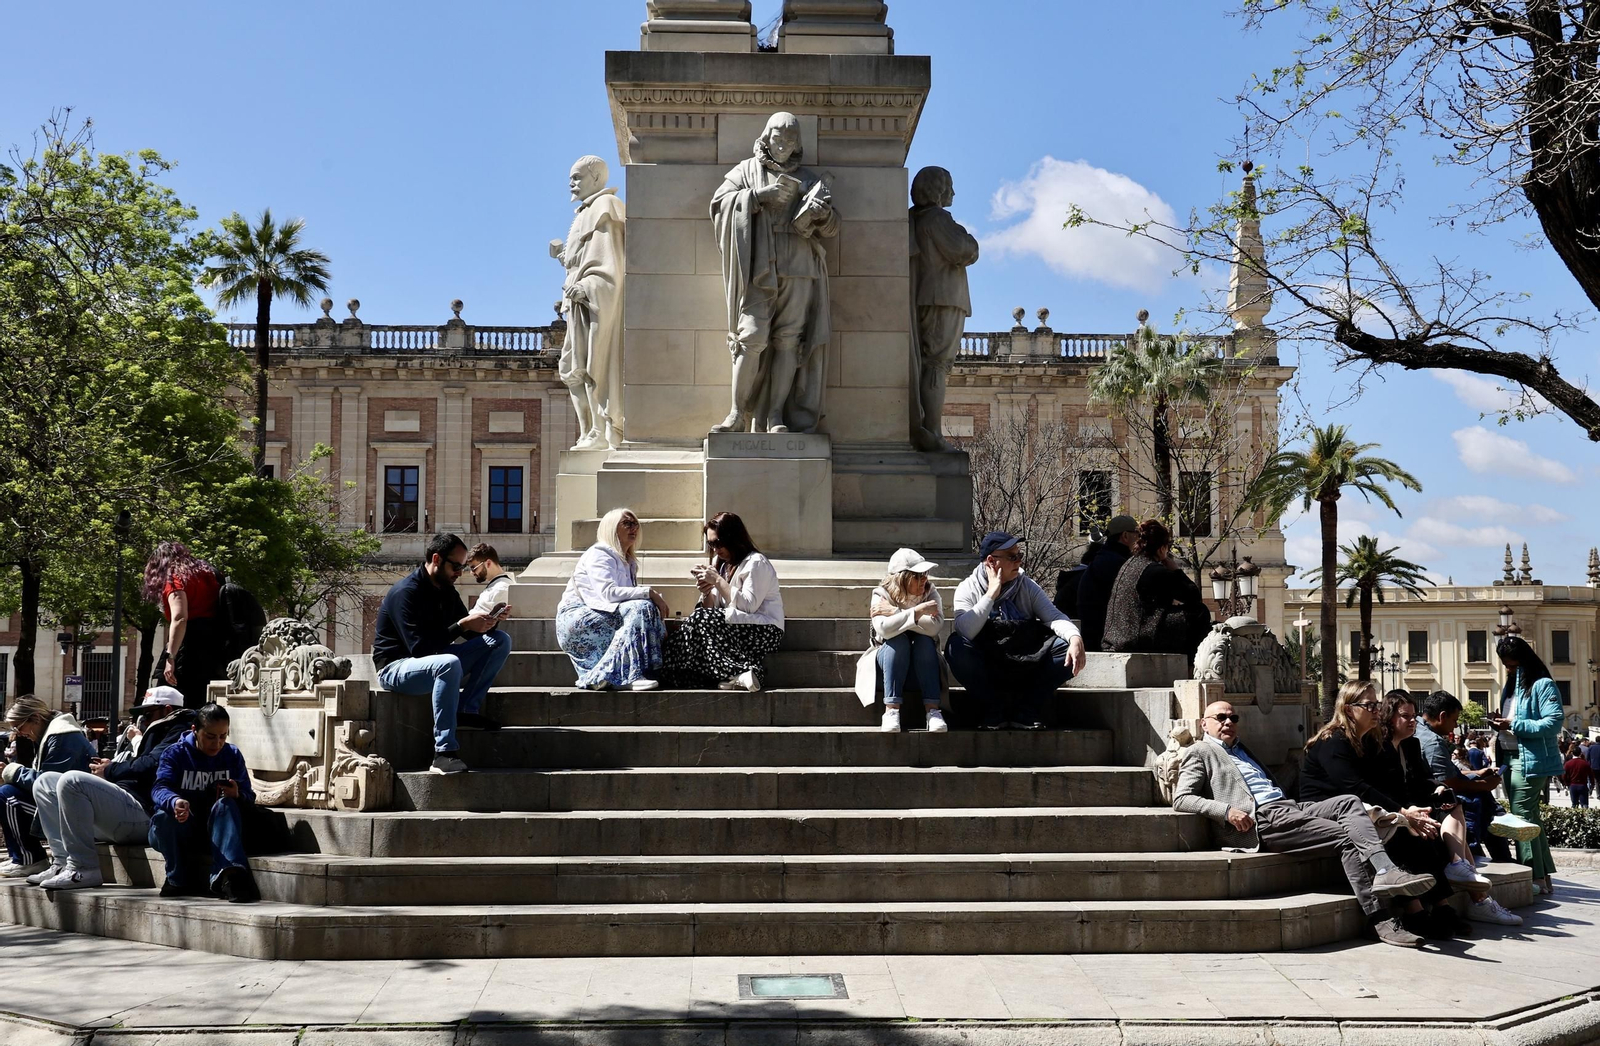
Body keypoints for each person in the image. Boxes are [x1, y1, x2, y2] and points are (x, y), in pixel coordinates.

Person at [1172, 698, 1437, 948]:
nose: (1228, 722)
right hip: (1263, 818)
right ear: (1204, 724)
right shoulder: (1201, 751)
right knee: (1347, 836)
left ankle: (1385, 869)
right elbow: (1182, 798)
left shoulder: (1241, 748)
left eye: (1233, 717)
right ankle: (1380, 920)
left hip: (1290, 807)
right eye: (1220, 717)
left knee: (1348, 801)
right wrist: (1227, 810)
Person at [1300, 682, 1471, 939]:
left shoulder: (1368, 740)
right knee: (1399, 830)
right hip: (1323, 809)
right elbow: (1354, 787)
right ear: (1348, 709)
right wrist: (1403, 812)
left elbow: (1376, 787)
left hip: (1358, 808)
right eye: (1368, 705)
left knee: (1419, 834)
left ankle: (1441, 906)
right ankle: (1414, 911)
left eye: (1376, 705)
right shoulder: (1333, 740)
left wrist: (1412, 811)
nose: (1376, 711)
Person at [709, 111, 839, 435]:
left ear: (797, 144)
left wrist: (823, 216)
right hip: (759, 267)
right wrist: (757, 197)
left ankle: (776, 415)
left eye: (790, 140)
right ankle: (737, 413)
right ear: (766, 137)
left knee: (788, 342)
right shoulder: (746, 171)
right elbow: (718, 205)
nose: (783, 145)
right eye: (778, 138)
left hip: (799, 266)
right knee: (750, 337)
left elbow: (835, 227)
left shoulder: (808, 179)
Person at [1374, 690, 1519, 928]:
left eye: (1414, 715)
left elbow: (1425, 779)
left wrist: (1438, 788)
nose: (1412, 721)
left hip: (1415, 805)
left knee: (1450, 801)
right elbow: (1378, 788)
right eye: (1405, 716)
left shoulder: (1412, 744)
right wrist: (1409, 810)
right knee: (1425, 837)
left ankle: (1458, 868)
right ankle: (1456, 901)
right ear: (1389, 717)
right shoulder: (1378, 748)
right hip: (1395, 809)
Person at [28, 686, 195, 892]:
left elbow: (152, 764)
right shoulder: (160, 729)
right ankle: (61, 863)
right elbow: (142, 763)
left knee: (72, 780)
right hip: (128, 807)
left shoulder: (181, 731)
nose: (143, 718)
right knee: (45, 782)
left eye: (148, 713)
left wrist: (111, 770)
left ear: (167, 710)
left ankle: (83, 867)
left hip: (145, 813)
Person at [374, 533, 513, 776]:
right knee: (448, 663)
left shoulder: (447, 590)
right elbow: (420, 649)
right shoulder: (405, 592)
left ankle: (466, 711)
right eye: (456, 566)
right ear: (436, 559)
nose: (460, 572)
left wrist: (489, 622)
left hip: (437, 659)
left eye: (463, 567)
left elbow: (471, 637)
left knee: (499, 641)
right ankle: (444, 752)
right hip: (396, 667)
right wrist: (462, 626)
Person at [946, 531, 1087, 731]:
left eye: (1020, 555)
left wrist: (1075, 637)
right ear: (991, 561)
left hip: (1025, 662)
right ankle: (993, 710)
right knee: (956, 647)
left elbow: (1054, 617)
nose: (1019, 561)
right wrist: (991, 594)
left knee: (1066, 648)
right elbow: (965, 630)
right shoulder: (967, 588)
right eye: (1012, 557)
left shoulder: (1027, 586)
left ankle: (1027, 710)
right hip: (988, 664)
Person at [548, 154, 626, 449]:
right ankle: (587, 430)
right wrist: (565, 260)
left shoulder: (606, 208)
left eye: (577, 177)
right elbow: (584, 259)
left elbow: (611, 266)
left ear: (596, 178)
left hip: (592, 300)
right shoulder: (585, 212)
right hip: (576, 303)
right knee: (571, 370)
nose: (572, 182)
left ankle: (600, 430)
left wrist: (586, 285)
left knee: (594, 365)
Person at [148, 703, 259, 902]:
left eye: (223, 736)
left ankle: (230, 878)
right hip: (180, 827)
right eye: (210, 736)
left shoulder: (232, 755)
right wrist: (175, 801)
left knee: (226, 805)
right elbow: (158, 788)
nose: (217, 743)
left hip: (218, 831)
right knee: (165, 816)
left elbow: (249, 797)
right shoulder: (175, 753)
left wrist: (237, 794)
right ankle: (176, 879)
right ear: (194, 730)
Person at [662, 512, 785, 691]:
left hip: (764, 630)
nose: (716, 549)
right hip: (734, 625)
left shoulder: (756, 563)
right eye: (711, 544)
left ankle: (747, 670)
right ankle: (731, 676)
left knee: (700, 620)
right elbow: (708, 610)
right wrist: (706, 593)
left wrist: (718, 581)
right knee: (681, 638)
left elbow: (749, 606)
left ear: (733, 538)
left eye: (718, 543)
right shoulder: (721, 564)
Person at [907, 165, 981, 452]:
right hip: (942, 299)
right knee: (937, 364)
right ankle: (933, 433)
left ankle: (928, 427)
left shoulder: (914, 218)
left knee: (930, 364)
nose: (953, 192)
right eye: (949, 186)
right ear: (938, 189)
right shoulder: (937, 218)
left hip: (928, 297)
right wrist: (969, 240)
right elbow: (964, 250)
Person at [556, 508, 669, 692]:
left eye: (636, 524)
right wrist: (649, 592)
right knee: (641, 607)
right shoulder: (600, 553)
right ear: (611, 528)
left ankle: (620, 674)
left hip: (602, 615)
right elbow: (608, 594)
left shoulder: (628, 561)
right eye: (627, 523)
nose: (634, 528)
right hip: (577, 619)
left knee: (646, 607)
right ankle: (627, 674)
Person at [1489, 634, 1564, 895]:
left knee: (1521, 817)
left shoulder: (1543, 685)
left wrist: (1513, 725)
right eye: (1506, 665)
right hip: (1509, 758)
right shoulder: (1511, 686)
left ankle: (1532, 874)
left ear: (1524, 662)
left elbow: (1554, 722)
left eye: (1511, 665)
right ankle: (1542, 877)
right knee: (1528, 817)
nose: (1508, 669)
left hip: (1530, 760)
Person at [0, 695, 95, 879]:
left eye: (18, 727)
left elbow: (48, 783)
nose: (17, 733)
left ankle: (30, 859)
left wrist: (12, 771)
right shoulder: (53, 734)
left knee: (7, 797)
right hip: (74, 804)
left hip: (76, 810)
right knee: (7, 794)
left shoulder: (62, 737)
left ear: (35, 718)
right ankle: (20, 856)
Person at [857, 548, 947, 734]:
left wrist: (896, 613)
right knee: (897, 642)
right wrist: (918, 613)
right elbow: (884, 629)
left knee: (924, 641)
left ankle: (933, 711)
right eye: (918, 576)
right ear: (902, 578)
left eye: (925, 574)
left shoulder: (930, 592)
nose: (924, 579)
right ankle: (891, 710)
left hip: (923, 671)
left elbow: (934, 627)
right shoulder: (881, 594)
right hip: (888, 673)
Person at [1417, 692, 1512, 865]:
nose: (1454, 727)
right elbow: (1447, 782)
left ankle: (1491, 852)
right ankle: (1498, 856)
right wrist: (1484, 785)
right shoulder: (1433, 742)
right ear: (1442, 716)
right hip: (1436, 798)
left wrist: (1477, 773)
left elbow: (1445, 773)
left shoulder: (1418, 727)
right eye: (1454, 721)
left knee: (1484, 799)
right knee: (1483, 801)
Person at [1101, 519, 1211, 660]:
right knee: (1199, 613)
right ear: (1161, 548)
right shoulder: (1154, 570)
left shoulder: (1129, 564)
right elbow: (1193, 596)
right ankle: (1191, 665)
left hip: (1116, 638)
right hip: (1135, 639)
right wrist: (1176, 571)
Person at [143, 542, 228, 708]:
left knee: (167, 699)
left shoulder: (174, 579)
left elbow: (180, 617)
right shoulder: (207, 573)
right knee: (202, 702)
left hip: (189, 647)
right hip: (214, 645)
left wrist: (170, 657)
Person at [1076, 514, 1138, 652]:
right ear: (1126, 536)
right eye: (1137, 534)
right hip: (1102, 639)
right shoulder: (1117, 563)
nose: (1140, 539)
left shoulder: (1106, 558)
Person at [467, 543, 517, 620]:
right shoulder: (498, 585)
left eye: (474, 568)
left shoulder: (501, 589)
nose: (471, 573)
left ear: (488, 563)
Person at [1565, 744, 1591, 809]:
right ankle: (1585, 817)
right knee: (1584, 804)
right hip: (1582, 785)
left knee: (1574, 804)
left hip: (1573, 785)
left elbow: (1564, 775)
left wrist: (1566, 784)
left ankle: (1575, 817)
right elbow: (1590, 774)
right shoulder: (1585, 763)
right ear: (1580, 753)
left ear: (1572, 753)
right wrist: (1592, 784)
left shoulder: (1568, 764)